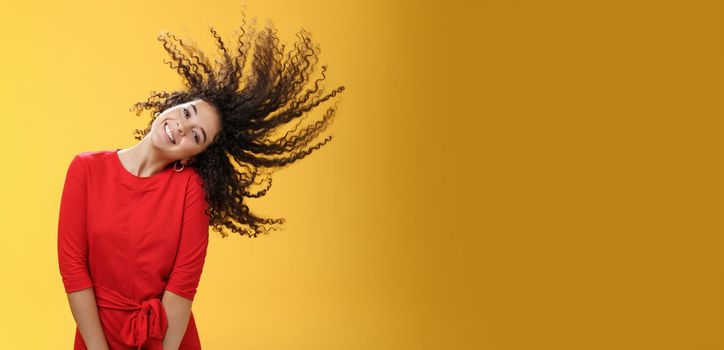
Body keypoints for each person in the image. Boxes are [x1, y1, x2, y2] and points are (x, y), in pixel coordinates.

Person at [57, 9, 345, 350]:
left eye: (197, 136)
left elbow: (182, 286)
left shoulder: (190, 190)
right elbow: (74, 269)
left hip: (165, 339)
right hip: (96, 337)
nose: (182, 126)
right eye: (187, 112)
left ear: (192, 156)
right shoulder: (85, 169)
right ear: (173, 104)